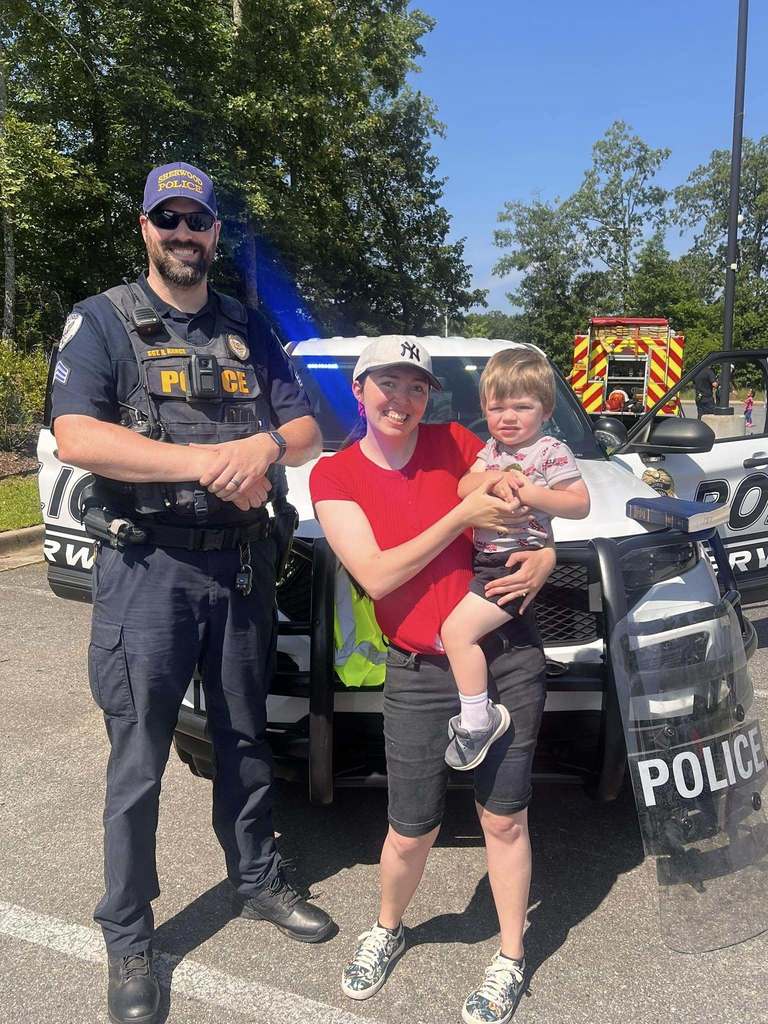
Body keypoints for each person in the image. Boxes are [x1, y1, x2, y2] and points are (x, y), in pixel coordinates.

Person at [51, 162, 334, 1024]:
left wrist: (262, 452)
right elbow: (76, 435)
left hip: (240, 568)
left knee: (246, 738)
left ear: (215, 233)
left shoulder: (246, 325)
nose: (183, 234)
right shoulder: (101, 321)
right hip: (149, 573)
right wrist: (208, 463)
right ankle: (129, 934)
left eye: (197, 221)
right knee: (138, 764)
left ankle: (254, 879)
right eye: (167, 219)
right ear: (145, 227)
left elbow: (311, 425)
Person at [310, 337, 557, 1024]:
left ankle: (510, 958)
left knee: (504, 821)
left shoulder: (456, 440)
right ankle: (387, 928)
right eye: (387, 383)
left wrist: (546, 554)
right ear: (359, 393)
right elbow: (379, 574)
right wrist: (458, 515)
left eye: (417, 386)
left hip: (504, 655)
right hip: (417, 668)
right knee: (410, 829)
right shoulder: (334, 477)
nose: (403, 399)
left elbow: (526, 503)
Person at [440, 348, 590, 771]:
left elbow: (579, 504)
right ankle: (478, 714)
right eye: (496, 407)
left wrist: (526, 491)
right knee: (463, 635)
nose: (508, 417)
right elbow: (463, 487)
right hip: (487, 560)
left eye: (522, 406)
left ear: (544, 411)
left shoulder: (551, 452)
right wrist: (493, 477)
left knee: (456, 633)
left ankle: (476, 721)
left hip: (513, 564)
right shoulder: (492, 451)